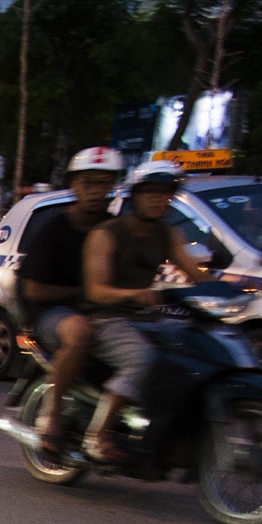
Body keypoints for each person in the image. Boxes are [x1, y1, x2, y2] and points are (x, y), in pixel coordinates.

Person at [79, 159, 206, 462]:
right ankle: (97, 436)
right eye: (151, 193)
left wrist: (233, 287)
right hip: (104, 318)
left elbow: (196, 273)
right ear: (135, 195)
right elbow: (96, 290)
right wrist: (135, 294)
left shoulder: (167, 234)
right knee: (142, 358)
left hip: (144, 318)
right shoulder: (107, 233)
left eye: (165, 193)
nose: (159, 199)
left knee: (191, 348)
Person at [21, 147, 121, 445]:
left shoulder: (115, 228)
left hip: (104, 309)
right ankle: (52, 411)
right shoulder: (54, 229)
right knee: (79, 333)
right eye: (89, 183)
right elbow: (32, 290)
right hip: (54, 312)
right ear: (74, 186)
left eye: (104, 183)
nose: (96, 191)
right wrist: (83, 292)